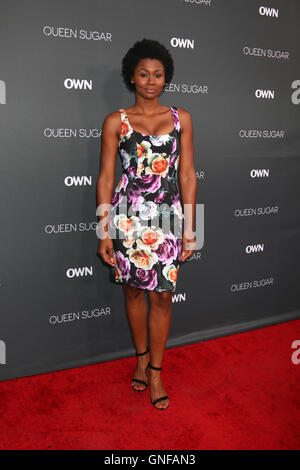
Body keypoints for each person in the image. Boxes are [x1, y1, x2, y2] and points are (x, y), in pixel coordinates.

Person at [97, 38, 197, 410]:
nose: (151, 80)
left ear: (165, 78)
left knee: (163, 296)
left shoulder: (181, 119)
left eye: (158, 74)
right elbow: (106, 179)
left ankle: (156, 370)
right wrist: (103, 230)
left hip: (169, 219)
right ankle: (140, 358)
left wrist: (191, 226)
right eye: (144, 74)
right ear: (132, 78)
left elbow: (187, 175)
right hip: (127, 220)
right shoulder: (116, 121)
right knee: (134, 293)